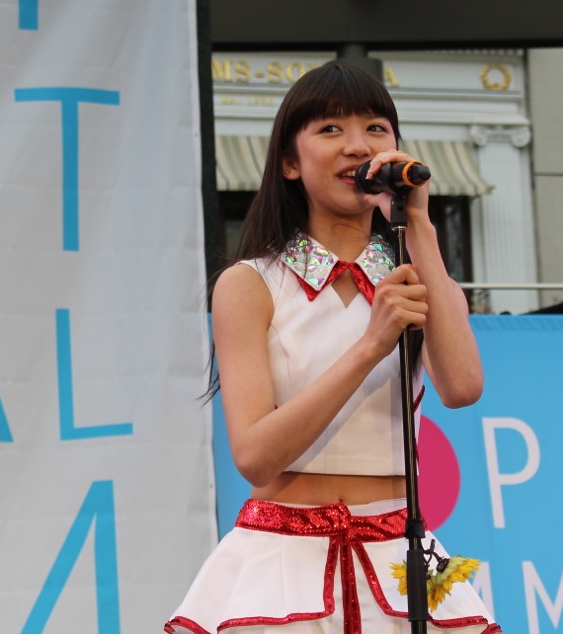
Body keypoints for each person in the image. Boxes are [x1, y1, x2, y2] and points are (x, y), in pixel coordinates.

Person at [166, 61, 498, 634]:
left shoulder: (417, 274)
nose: (357, 146)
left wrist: (419, 225)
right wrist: (371, 345)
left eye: (375, 128)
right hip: (282, 552)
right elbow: (254, 456)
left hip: (402, 552)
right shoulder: (251, 284)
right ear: (290, 163)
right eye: (330, 129)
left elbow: (463, 386)